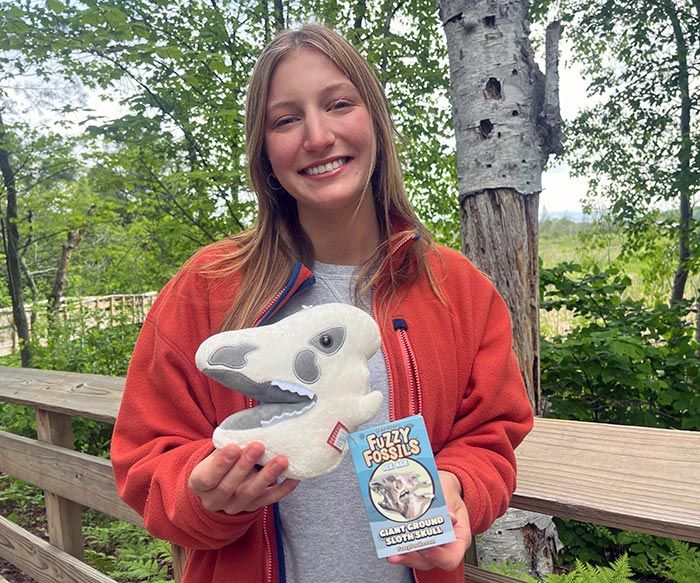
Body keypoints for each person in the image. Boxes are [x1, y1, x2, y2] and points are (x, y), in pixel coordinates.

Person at [111, 24, 534, 583]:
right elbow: (145, 459)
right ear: (264, 151)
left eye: (338, 104)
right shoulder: (207, 287)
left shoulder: (457, 290)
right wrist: (205, 492)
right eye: (285, 119)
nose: (317, 135)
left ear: (375, 121)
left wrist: (455, 487)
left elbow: (491, 437)